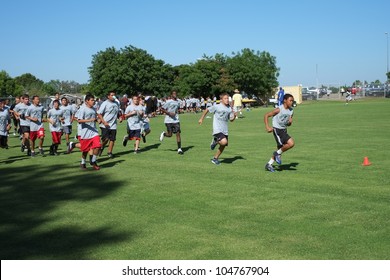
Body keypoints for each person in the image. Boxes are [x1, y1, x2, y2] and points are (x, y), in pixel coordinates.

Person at [198, 92, 236, 165]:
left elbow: (231, 120)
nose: (227, 100)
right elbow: (207, 110)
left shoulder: (229, 109)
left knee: (224, 144)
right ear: (221, 100)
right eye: (225, 98)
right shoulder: (217, 106)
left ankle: (215, 158)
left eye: (228, 98)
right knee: (224, 142)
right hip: (217, 128)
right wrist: (201, 119)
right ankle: (216, 141)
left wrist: (234, 116)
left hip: (224, 130)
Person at [264, 93, 295, 172]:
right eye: (290, 100)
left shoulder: (291, 111)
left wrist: (289, 123)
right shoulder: (279, 109)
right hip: (277, 130)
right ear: (285, 100)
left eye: (292, 101)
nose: (292, 102)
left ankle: (269, 164)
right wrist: (267, 126)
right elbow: (266, 115)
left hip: (284, 130)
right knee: (288, 145)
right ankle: (275, 156)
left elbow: (288, 123)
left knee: (281, 150)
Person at [77, 94, 101, 170]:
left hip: (94, 131)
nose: (93, 101)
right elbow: (79, 120)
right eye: (92, 100)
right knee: (85, 150)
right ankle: (83, 162)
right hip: (85, 132)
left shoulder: (94, 109)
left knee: (98, 146)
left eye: (93, 100)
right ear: (87, 101)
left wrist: (98, 120)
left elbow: (95, 118)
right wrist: (90, 120)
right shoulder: (82, 109)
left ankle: (93, 161)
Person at [97, 91, 120, 158]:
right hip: (105, 125)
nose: (113, 96)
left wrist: (120, 117)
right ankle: (101, 147)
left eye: (114, 95)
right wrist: (104, 122)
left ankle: (109, 152)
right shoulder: (105, 103)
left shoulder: (116, 103)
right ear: (108, 96)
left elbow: (117, 112)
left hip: (113, 125)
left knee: (112, 139)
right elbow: (99, 113)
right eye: (112, 95)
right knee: (106, 139)